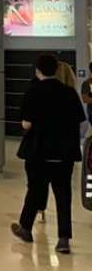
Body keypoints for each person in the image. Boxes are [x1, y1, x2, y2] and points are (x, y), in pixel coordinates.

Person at [11, 53, 87, 254]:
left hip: (38, 151)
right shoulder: (69, 92)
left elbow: (26, 123)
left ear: (38, 70)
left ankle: (25, 228)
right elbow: (80, 120)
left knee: (35, 190)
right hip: (63, 153)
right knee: (63, 195)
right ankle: (63, 239)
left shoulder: (33, 92)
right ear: (56, 69)